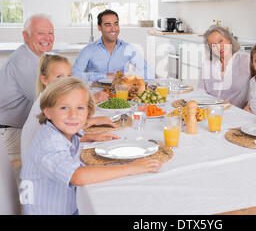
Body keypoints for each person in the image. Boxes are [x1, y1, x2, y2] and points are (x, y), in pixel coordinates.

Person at [20, 77, 162, 215]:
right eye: (64, 107)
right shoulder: (49, 143)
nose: (73, 115)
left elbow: (65, 140)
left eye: (80, 108)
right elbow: (77, 176)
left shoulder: (55, 131)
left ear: (88, 111)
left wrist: (90, 137)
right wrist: (131, 168)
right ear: (48, 112)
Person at [21, 54, 114, 161]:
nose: (66, 81)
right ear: (44, 79)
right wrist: (93, 122)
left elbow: (62, 134)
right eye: (59, 77)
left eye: (69, 76)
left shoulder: (51, 99)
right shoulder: (46, 107)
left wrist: (92, 136)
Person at [0, 14, 54, 161]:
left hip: (14, 128)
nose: (47, 38)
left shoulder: (35, 56)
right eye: (40, 33)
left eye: (50, 33)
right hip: (8, 133)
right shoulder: (24, 61)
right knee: (60, 140)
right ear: (26, 35)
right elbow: (48, 103)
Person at [72, 9, 155, 82]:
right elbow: (74, 75)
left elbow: (149, 72)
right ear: (99, 27)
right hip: (96, 95)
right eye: (108, 25)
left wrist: (127, 76)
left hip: (121, 94)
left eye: (116, 24)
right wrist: (105, 76)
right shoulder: (88, 50)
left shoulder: (128, 48)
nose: (113, 29)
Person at [197, 25, 250, 108]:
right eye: (213, 45)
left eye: (220, 41)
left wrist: (249, 105)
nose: (218, 47)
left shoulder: (246, 60)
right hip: (209, 111)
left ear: (229, 40)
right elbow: (200, 90)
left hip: (235, 113)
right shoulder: (207, 62)